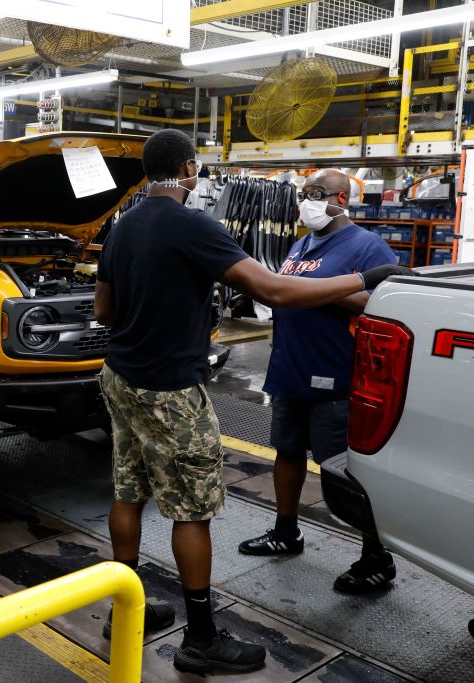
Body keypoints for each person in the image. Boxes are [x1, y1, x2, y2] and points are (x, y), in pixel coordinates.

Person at [94, 129, 410, 675]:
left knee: (129, 490)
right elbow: (276, 292)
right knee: (192, 510)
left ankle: (125, 611)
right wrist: (363, 277)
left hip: (120, 378)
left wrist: (154, 313)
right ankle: (200, 637)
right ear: (189, 169)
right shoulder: (193, 224)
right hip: (170, 389)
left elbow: (104, 311)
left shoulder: (121, 227)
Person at [238, 169, 398, 593]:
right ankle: (286, 531)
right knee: (287, 452)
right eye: (304, 194)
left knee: (344, 474)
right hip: (290, 367)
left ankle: (376, 557)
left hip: (335, 375)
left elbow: (379, 303)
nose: (307, 201)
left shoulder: (367, 246)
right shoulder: (301, 244)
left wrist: (309, 288)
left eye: (317, 193)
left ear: (341, 198)